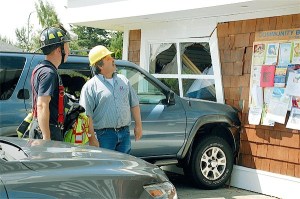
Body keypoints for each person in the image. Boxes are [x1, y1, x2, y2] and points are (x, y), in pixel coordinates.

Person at [31, 25, 99, 147]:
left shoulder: (41, 69)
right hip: (48, 131)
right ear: (59, 49)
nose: (69, 51)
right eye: (67, 46)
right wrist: (47, 138)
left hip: (43, 128)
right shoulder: (49, 73)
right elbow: (42, 104)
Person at [79, 45, 142, 154]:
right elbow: (86, 115)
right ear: (100, 65)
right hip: (103, 136)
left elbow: (134, 104)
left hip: (125, 133)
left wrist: (138, 125)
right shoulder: (90, 86)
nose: (113, 60)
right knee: (105, 168)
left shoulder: (124, 80)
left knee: (124, 168)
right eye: (108, 58)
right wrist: (92, 138)